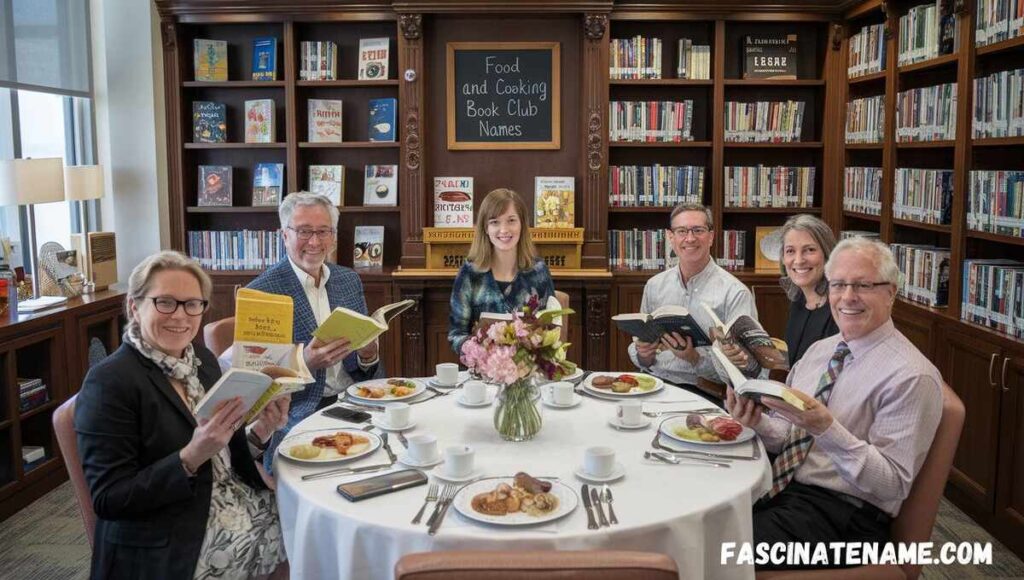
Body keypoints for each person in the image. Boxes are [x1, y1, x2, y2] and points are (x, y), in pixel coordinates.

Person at [726, 238, 943, 569]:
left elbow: (891, 484)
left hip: (848, 518)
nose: (847, 297)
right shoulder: (821, 351)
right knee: (704, 520)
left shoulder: (911, 376)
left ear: (891, 292)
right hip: (787, 489)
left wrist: (825, 427)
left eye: (863, 285)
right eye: (838, 284)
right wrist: (757, 421)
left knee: (719, 549)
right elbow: (789, 436)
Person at [75, 251, 289, 580]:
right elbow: (109, 498)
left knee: (308, 525)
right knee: (302, 543)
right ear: (135, 306)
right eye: (165, 302)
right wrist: (189, 458)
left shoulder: (200, 359)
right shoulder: (109, 382)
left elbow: (223, 452)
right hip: (169, 535)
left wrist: (261, 430)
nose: (180, 316)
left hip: (226, 499)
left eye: (192, 304)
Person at [248, 191, 384, 473]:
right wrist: (304, 363)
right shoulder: (261, 292)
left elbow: (365, 369)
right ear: (284, 235)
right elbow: (256, 384)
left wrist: (368, 356)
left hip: (354, 401)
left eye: (323, 232)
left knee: (394, 454)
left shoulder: (348, 280)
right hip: (299, 411)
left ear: (334, 236)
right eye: (304, 231)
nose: (314, 242)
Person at [627, 202, 758, 391]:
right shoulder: (655, 285)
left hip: (706, 390)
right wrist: (644, 355)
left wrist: (694, 358)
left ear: (711, 236)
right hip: (654, 383)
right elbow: (642, 354)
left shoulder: (735, 293)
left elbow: (747, 367)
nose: (690, 238)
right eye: (681, 231)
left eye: (698, 230)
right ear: (670, 237)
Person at [721, 214, 839, 372]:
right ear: (783, 258)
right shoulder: (798, 300)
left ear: (827, 253)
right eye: (790, 251)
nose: (798, 260)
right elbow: (792, 366)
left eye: (809, 250)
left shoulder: (840, 307)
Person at [448, 188, 555, 354]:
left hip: (528, 373)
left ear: (522, 225)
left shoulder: (539, 272)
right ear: (485, 228)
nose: (504, 230)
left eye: (511, 220)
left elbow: (550, 330)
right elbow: (456, 335)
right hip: (481, 374)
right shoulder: (470, 273)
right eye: (495, 222)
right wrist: (481, 352)